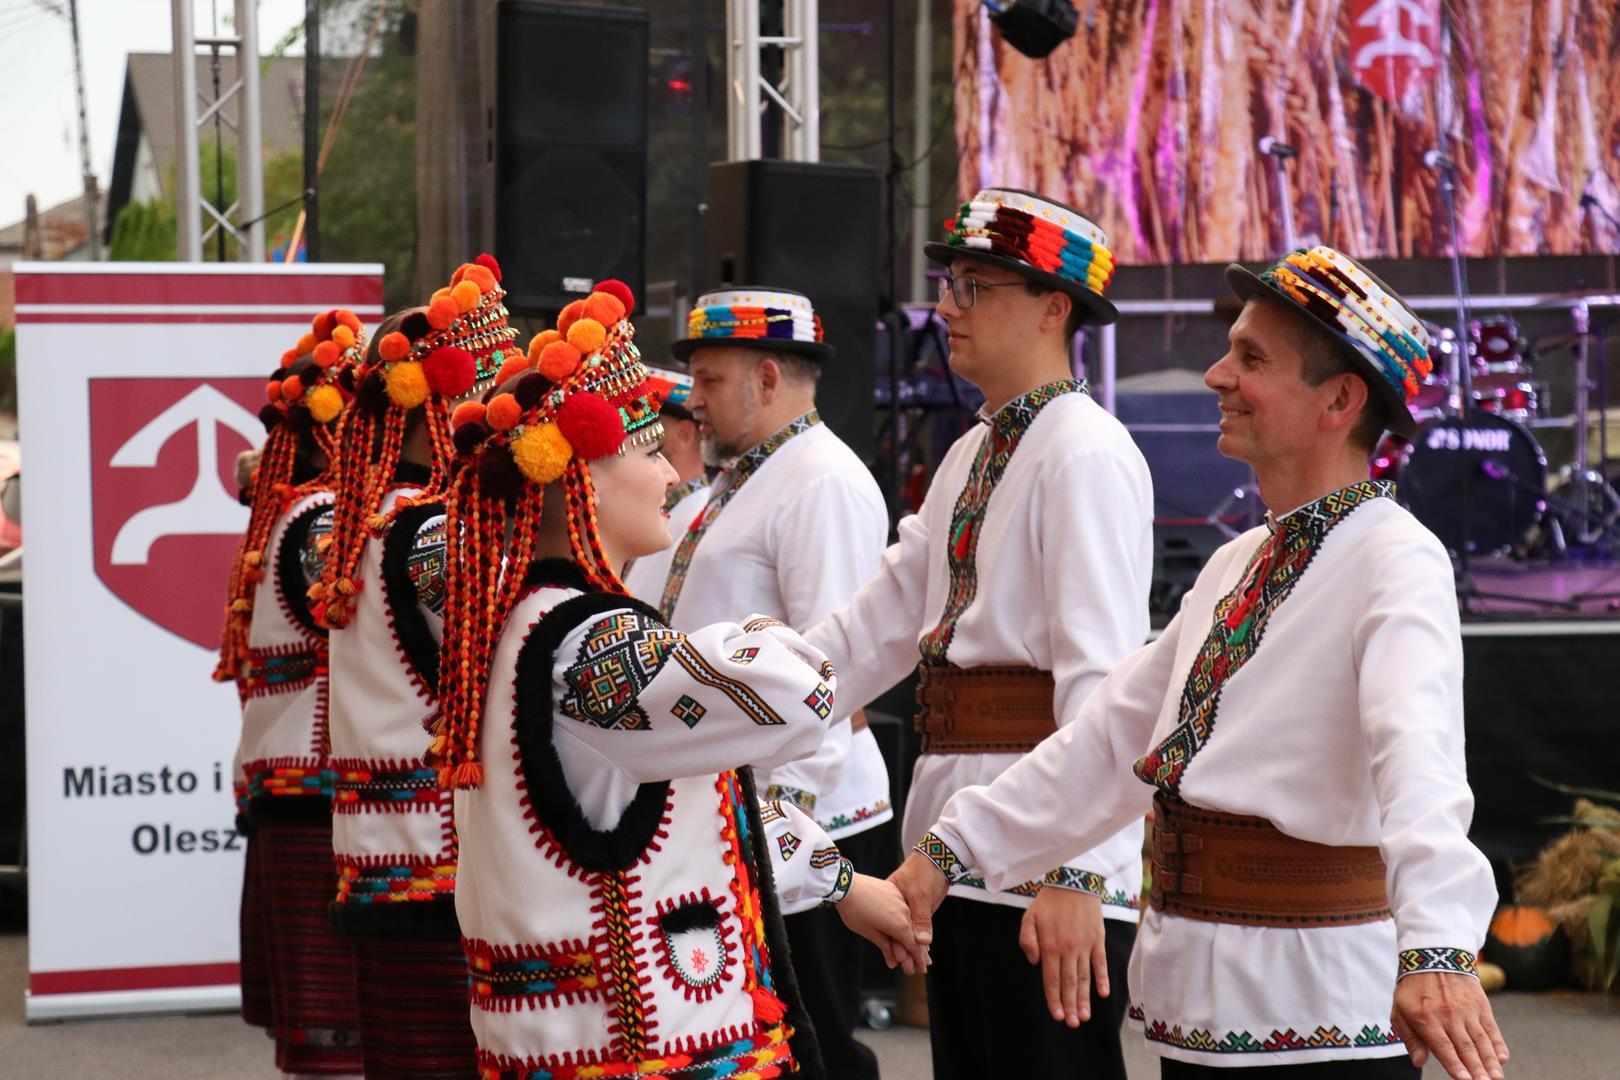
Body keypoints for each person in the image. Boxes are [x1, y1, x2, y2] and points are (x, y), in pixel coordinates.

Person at [891, 246, 1507, 1080]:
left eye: (1251, 358)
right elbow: (1110, 740)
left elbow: (1420, 760)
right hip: (1208, 1009)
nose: (1217, 375)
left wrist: (1437, 943)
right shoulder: (1235, 562)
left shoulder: (1395, 556)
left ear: (1339, 400)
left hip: (1319, 1015)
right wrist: (949, 850)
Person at [428, 280, 920, 1079]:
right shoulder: (587, 646)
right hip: (635, 1049)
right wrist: (756, 634)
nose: (668, 473)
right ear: (584, 478)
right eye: (649, 452)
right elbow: (799, 698)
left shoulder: (523, 620)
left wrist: (836, 880)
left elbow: (701, 807)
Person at [804, 189, 1155, 1080]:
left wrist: (1080, 871)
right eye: (948, 285)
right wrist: (733, 704)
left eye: (974, 287)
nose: (947, 308)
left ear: (1053, 308)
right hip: (956, 837)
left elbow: (1106, 679)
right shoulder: (972, 451)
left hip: (1042, 856)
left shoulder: (1085, 449)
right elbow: (876, 626)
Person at [655, 286, 894, 1079]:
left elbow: (832, 674)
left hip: (805, 809)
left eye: (709, 380)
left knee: (812, 1037)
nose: (693, 400)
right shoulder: (746, 477)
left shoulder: (821, 480)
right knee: (770, 1037)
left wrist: (789, 826)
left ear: (766, 379)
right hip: (752, 804)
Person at [312, 254, 516, 1077]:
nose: (500, 415)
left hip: (388, 857)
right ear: (440, 409)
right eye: (487, 389)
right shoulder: (432, 534)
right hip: (436, 866)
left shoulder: (373, 520)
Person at [216, 309, 366, 1074]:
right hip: (319, 798)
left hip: (300, 790)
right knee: (340, 1047)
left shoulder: (297, 511)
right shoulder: (325, 522)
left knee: (335, 1044)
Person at [622, 363, 706, 602]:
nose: (630, 440)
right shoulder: (664, 513)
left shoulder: (699, 515)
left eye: (649, 439)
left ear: (683, 435)